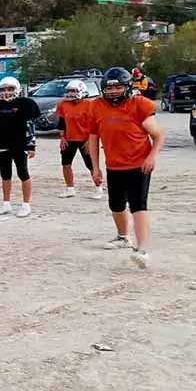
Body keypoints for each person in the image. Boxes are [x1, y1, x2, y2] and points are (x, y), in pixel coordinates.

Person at [88, 67, 164, 269]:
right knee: (116, 205)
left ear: (128, 86)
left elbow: (158, 136)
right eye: (109, 88)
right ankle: (123, 237)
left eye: (118, 87)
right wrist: (95, 168)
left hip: (139, 163)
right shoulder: (96, 106)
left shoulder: (139, 104)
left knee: (138, 205)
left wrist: (151, 157)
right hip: (113, 164)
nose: (113, 91)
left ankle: (142, 250)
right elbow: (93, 138)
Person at [0, 76, 40, 218]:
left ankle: (26, 204)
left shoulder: (26, 103)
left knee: (23, 173)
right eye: (3, 89)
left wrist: (31, 145)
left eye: (10, 89)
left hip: (20, 142)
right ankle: (6, 203)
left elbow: (30, 125)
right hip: (3, 143)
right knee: (5, 174)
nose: (7, 92)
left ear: (17, 89)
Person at [56, 80, 102, 200]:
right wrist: (62, 137)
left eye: (73, 91)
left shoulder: (89, 104)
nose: (70, 93)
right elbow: (62, 122)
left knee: (91, 165)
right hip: (69, 138)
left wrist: (89, 141)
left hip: (84, 139)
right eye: (69, 91)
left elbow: (94, 124)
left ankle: (99, 188)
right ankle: (70, 189)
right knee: (66, 164)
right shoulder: (63, 104)